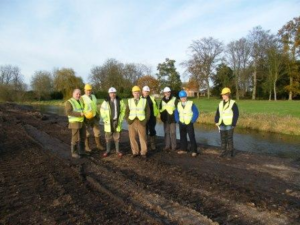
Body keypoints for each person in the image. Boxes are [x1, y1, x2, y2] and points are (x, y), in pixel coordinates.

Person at [125, 86, 150, 158]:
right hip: (132, 122)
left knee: (142, 137)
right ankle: (135, 152)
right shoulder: (129, 101)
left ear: (140, 93)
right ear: (132, 93)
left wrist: (145, 120)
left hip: (141, 121)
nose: (136, 94)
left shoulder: (144, 101)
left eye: (138, 92)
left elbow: (148, 112)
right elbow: (126, 112)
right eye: (135, 93)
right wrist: (128, 120)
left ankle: (143, 152)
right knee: (132, 138)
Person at [100, 87, 126, 157]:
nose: (113, 94)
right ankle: (108, 150)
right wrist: (105, 119)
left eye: (114, 93)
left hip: (116, 120)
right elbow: (102, 111)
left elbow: (123, 110)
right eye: (111, 93)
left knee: (117, 136)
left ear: (115, 93)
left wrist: (120, 118)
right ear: (109, 94)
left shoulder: (120, 101)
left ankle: (117, 151)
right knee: (108, 137)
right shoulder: (105, 101)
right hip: (108, 122)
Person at [215, 87, 239, 157]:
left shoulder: (233, 103)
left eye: (224, 95)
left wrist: (234, 123)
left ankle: (231, 152)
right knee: (223, 139)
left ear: (228, 95)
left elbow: (236, 114)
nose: (222, 96)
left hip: (229, 124)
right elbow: (217, 113)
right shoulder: (220, 103)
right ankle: (223, 152)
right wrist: (216, 121)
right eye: (222, 95)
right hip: (221, 124)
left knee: (229, 139)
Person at [175, 90, 199, 157]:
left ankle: (194, 151)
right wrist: (177, 120)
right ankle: (183, 149)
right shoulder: (178, 104)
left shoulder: (191, 103)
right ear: (180, 98)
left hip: (189, 123)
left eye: (184, 97)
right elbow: (176, 113)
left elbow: (196, 113)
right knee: (182, 137)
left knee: (191, 137)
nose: (183, 98)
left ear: (186, 97)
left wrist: (192, 120)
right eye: (182, 97)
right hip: (181, 123)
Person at [81, 83, 104, 152]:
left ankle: (98, 145)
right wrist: (83, 116)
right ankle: (87, 147)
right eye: (87, 90)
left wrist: (98, 115)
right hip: (86, 118)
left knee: (97, 132)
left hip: (95, 117)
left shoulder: (94, 96)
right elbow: (81, 108)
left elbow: (95, 106)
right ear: (84, 90)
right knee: (87, 133)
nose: (89, 91)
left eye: (90, 90)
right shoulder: (82, 98)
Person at [65, 89, 87, 158]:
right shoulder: (69, 102)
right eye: (77, 94)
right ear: (73, 94)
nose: (78, 95)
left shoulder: (80, 101)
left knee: (83, 136)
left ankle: (82, 151)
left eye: (79, 94)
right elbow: (68, 112)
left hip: (81, 121)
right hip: (74, 122)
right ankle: (74, 152)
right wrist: (79, 114)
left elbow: (82, 110)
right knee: (75, 137)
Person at [159, 87, 178, 151]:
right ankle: (167, 146)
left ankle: (174, 147)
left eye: (168, 92)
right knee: (166, 133)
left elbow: (178, 109)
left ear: (170, 92)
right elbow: (160, 109)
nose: (167, 93)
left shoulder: (174, 99)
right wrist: (162, 118)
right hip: (165, 119)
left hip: (172, 119)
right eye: (166, 92)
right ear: (164, 93)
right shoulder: (162, 100)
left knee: (173, 133)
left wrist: (176, 118)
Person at [141, 86, 159, 150]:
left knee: (152, 130)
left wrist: (156, 115)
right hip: (143, 118)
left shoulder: (152, 98)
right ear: (142, 91)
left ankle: (153, 144)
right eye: (145, 91)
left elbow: (156, 107)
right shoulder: (140, 99)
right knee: (144, 132)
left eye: (147, 91)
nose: (146, 92)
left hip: (152, 118)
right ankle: (145, 144)